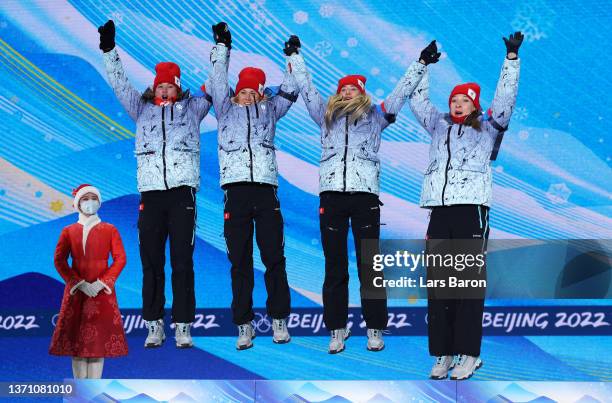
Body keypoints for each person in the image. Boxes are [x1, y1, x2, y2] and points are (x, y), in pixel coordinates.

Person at [286, 36, 432, 353]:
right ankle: (337, 329)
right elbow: (307, 88)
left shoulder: (377, 118)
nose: (347, 91)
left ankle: (375, 329)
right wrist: (296, 56)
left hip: (365, 198)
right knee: (335, 266)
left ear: (362, 93)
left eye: (353, 88)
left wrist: (420, 63)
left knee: (370, 266)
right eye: (343, 88)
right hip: (332, 198)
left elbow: (401, 93)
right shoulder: (324, 116)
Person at [409, 32, 523, 380]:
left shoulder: (489, 127)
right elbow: (417, 102)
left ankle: (469, 355)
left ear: (475, 105)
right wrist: (422, 66)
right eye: (454, 99)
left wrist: (511, 60)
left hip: (471, 210)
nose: (457, 104)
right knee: (439, 286)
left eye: (464, 100)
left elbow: (505, 101)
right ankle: (443, 354)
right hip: (439, 211)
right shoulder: (438, 124)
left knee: (467, 286)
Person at [98, 20, 212, 348]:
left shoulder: (193, 109)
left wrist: (220, 51)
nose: (164, 91)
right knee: (151, 262)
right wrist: (109, 50)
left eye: (170, 86)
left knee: (181, 261)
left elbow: (216, 87)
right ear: (154, 87)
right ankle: (153, 325)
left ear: (178, 88)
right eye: (160, 86)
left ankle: (183, 325)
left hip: (181, 195)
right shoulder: (141, 109)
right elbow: (119, 84)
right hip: (151, 195)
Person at [209, 22, 299, 350]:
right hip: (236, 193)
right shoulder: (224, 108)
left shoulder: (270, 110)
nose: (246, 95)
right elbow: (217, 79)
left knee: (274, 257)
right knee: (240, 261)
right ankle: (244, 325)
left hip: (265, 191)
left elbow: (292, 90)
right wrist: (223, 47)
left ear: (261, 93)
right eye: (243, 90)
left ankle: (279, 320)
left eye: (253, 91)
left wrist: (293, 57)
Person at [49, 184, 128, 379]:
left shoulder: (110, 229)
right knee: (77, 347)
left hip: (102, 293)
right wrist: (78, 283)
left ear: (99, 202)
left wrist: (102, 283)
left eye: (93, 198)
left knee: (97, 348)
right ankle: (80, 396)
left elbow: (120, 258)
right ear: (77, 204)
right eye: (85, 199)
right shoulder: (68, 231)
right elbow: (59, 260)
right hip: (77, 293)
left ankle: (93, 394)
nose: (89, 203)